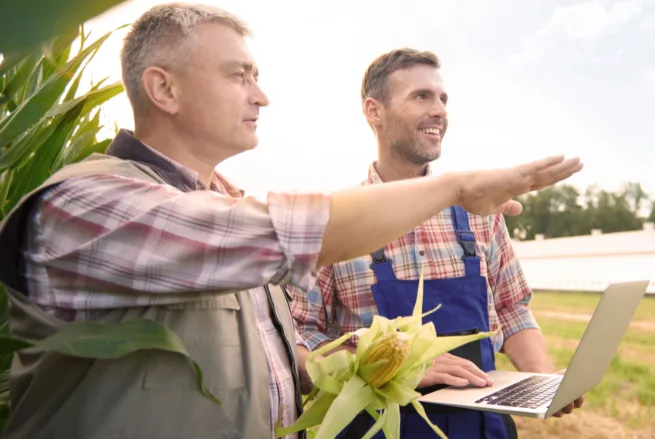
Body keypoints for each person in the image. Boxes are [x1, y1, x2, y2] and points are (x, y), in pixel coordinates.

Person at [0, 5, 583, 439]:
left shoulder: (222, 203)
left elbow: (282, 359)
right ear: (164, 88)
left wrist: (364, 357)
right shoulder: (89, 203)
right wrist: (454, 188)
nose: (263, 97)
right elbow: (283, 235)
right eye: (239, 75)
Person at [289, 48, 585, 439]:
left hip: (480, 428)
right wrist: (391, 364)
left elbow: (512, 309)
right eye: (421, 97)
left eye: (443, 99)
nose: (440, 110)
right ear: (373, 111)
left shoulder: (482, 212)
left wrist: (543, 380)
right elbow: (298, 336)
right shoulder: (337, 221)